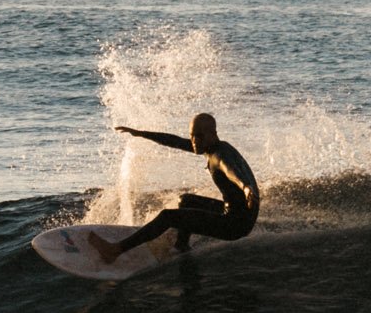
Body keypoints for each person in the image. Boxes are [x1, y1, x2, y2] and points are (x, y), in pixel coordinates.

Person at [89, 113, 259, 264]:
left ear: (213, 134)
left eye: (198, 136)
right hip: (237, 214)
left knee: (168, 216)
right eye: (192, 136)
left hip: (235, 225)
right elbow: (175, 141)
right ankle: (181, 245)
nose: (194, 142)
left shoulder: (219, 156)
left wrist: (245, 187)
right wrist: (141, 134)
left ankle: (115, 251)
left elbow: (231, 171)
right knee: (186, 200)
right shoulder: (211, 146)